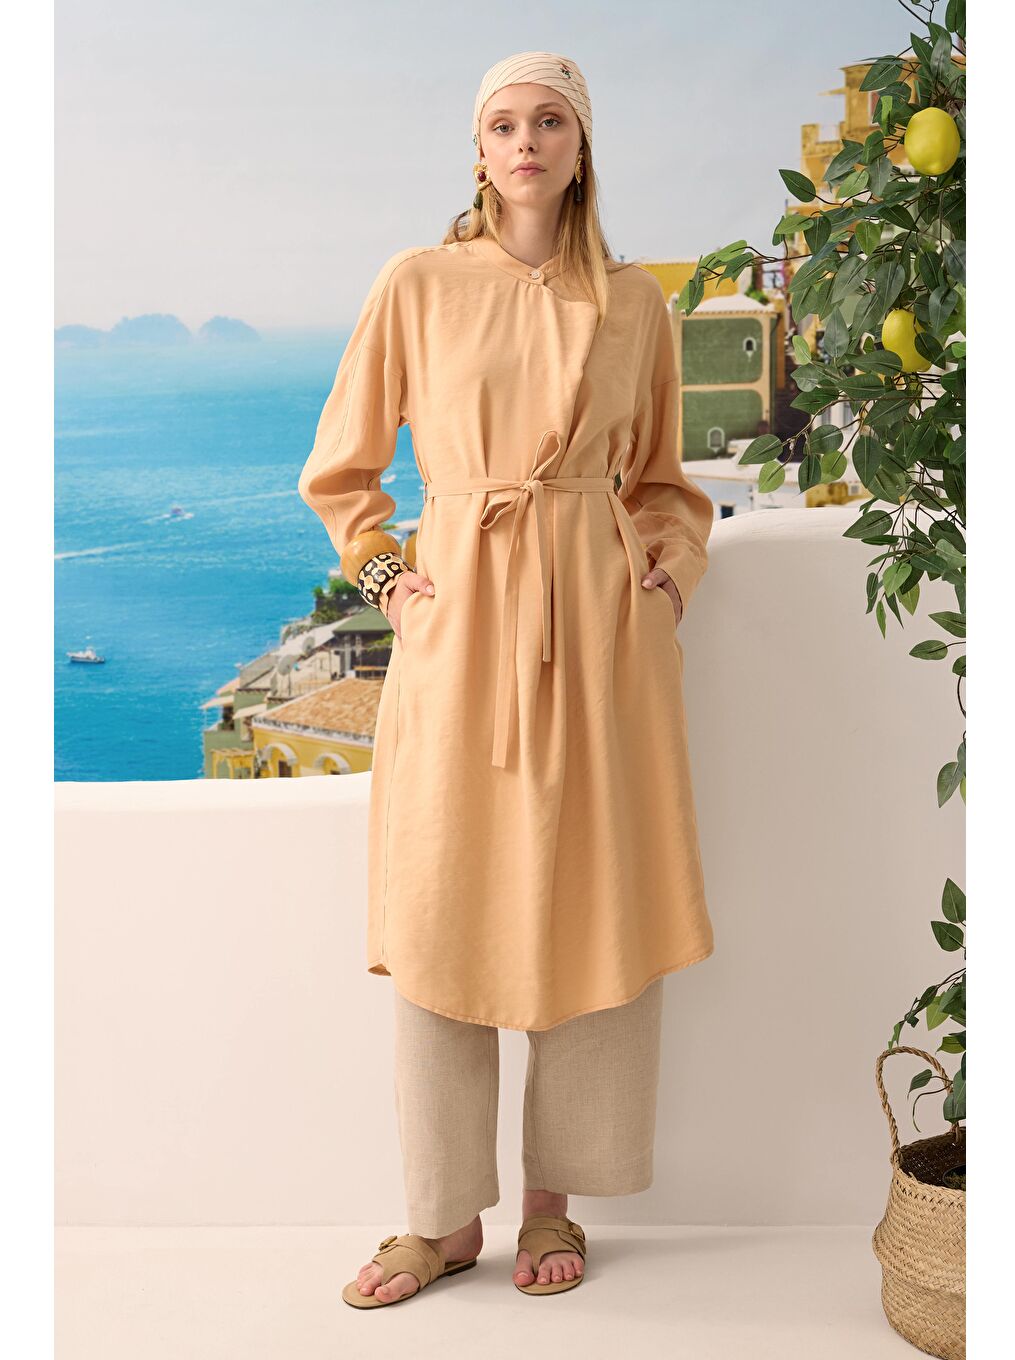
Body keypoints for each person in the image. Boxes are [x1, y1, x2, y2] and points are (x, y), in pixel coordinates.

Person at [298, 50, 716, 1309]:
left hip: (600, 634)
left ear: (580, 149)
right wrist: (391, 583)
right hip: (463, 626)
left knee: (589, 899)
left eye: (549, 123)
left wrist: (662, 586)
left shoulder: (634, 303)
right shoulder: (418, 284)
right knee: (442, 909)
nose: (525, 142)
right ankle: (438, 1219)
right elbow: (343, 471)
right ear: (477, 152)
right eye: (502, 124)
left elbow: (666, 485)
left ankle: (554, 1201)